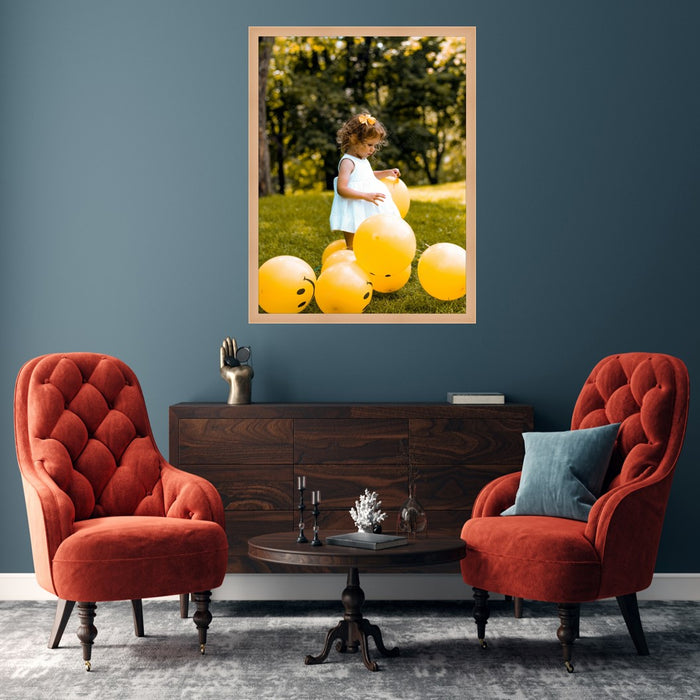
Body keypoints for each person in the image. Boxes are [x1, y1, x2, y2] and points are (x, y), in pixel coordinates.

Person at [329, 113, 401, 250]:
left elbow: (367, 176)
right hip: (353, 206)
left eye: (375, 145)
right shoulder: (347, 162)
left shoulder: (362, 160)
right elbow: (341, 188)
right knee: (353, 245)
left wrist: (387, 173)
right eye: (369, 145)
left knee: (369, 240)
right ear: (354, 139)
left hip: (365, 206)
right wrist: (365, 195)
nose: (373, 150)